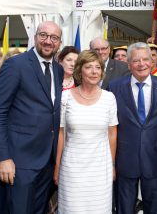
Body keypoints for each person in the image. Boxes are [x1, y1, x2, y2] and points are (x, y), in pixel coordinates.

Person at [0, 21, 64, 213]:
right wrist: (3, 157)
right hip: (19, 160)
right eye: (43, 35)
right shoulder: (15, 65)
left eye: (54, 38)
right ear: (35, 37)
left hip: (47, 160)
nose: (48, 41)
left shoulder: (58, 69)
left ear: (59, 42)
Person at [108, 42, 157, 214]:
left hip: (154, 156)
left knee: (154, 207)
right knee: (124, 208)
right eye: (136, 60)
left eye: (145, 59)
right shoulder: (114, 87)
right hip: (125, 158)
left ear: (152, 62)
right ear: (128, 64)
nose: (141, 64)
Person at [54, 50, 118, 213]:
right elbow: (61, 134)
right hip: (72, 168)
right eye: (89, 67)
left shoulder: (109, 98)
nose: (94, 71)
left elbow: (112, 134)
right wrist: (57, 166)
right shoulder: (65, 97)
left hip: (100, 169)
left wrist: (111, 165)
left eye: (98, 67)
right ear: (79, 70)